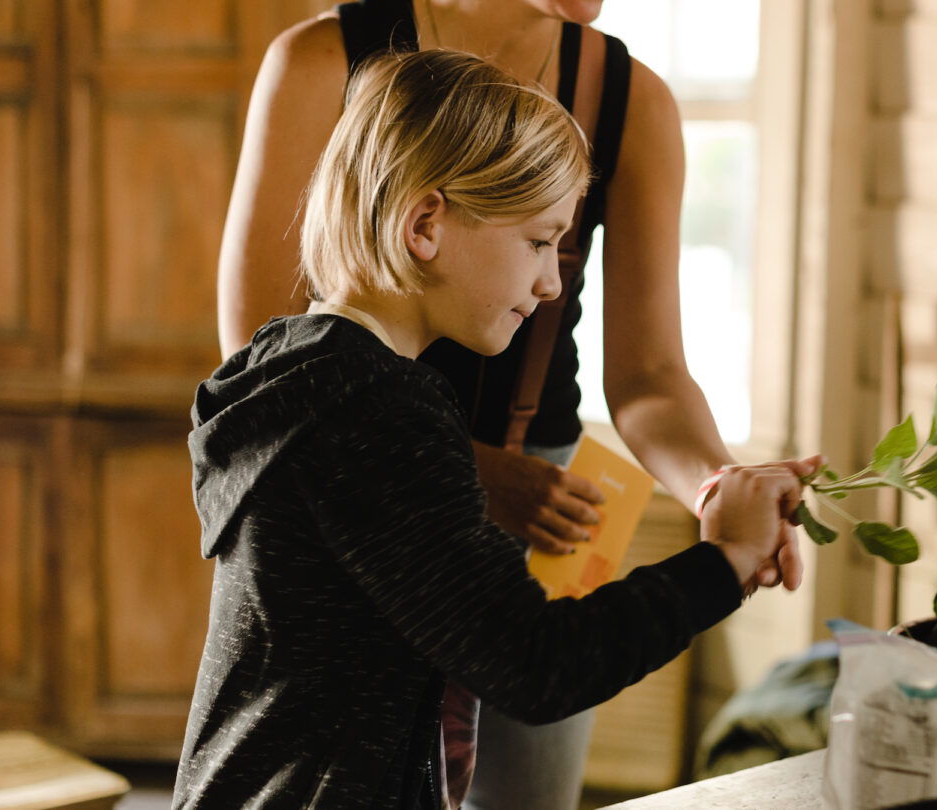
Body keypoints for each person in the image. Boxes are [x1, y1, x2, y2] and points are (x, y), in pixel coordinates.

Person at [173, 49, 816, 810]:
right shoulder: (377, 412)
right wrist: (724, 560)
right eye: (540, 241)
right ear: (426, 225)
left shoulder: (303, 368)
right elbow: (535, 665)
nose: (551, 285)